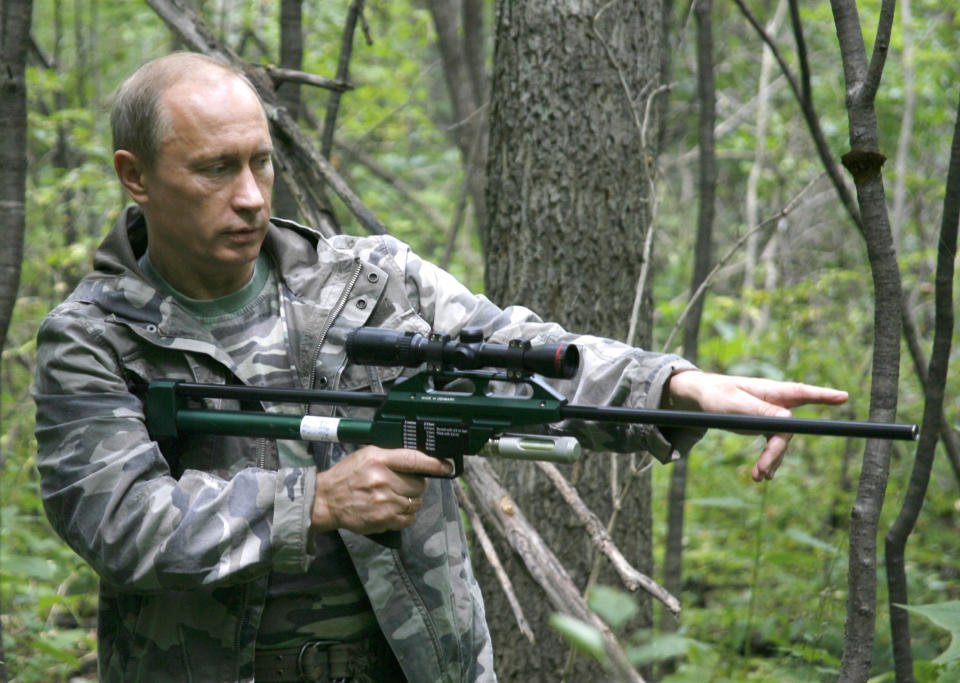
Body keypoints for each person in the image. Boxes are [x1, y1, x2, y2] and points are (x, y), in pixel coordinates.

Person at [33, 52, 848, 683]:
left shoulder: (369, 281)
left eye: (262, 162)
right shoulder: (94, 337)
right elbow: (117, 518)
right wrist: (313, 500)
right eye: (214, 169)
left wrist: (674, 386)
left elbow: (514, 356)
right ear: (134, 176)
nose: (250, 196)